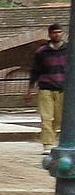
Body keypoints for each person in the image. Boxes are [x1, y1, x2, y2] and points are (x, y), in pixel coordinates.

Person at [27, 23, 67, 151]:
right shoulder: (42, 52)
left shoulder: (69, 50)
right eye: (54, 32)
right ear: (49, 34)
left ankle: (51, 137)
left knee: (59, 118)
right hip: (46, 88)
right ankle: (47, 144)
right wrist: (30, 88)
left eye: (59, 32)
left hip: (63, 88)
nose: (57, 34)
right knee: (46, 117)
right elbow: (35, 71)